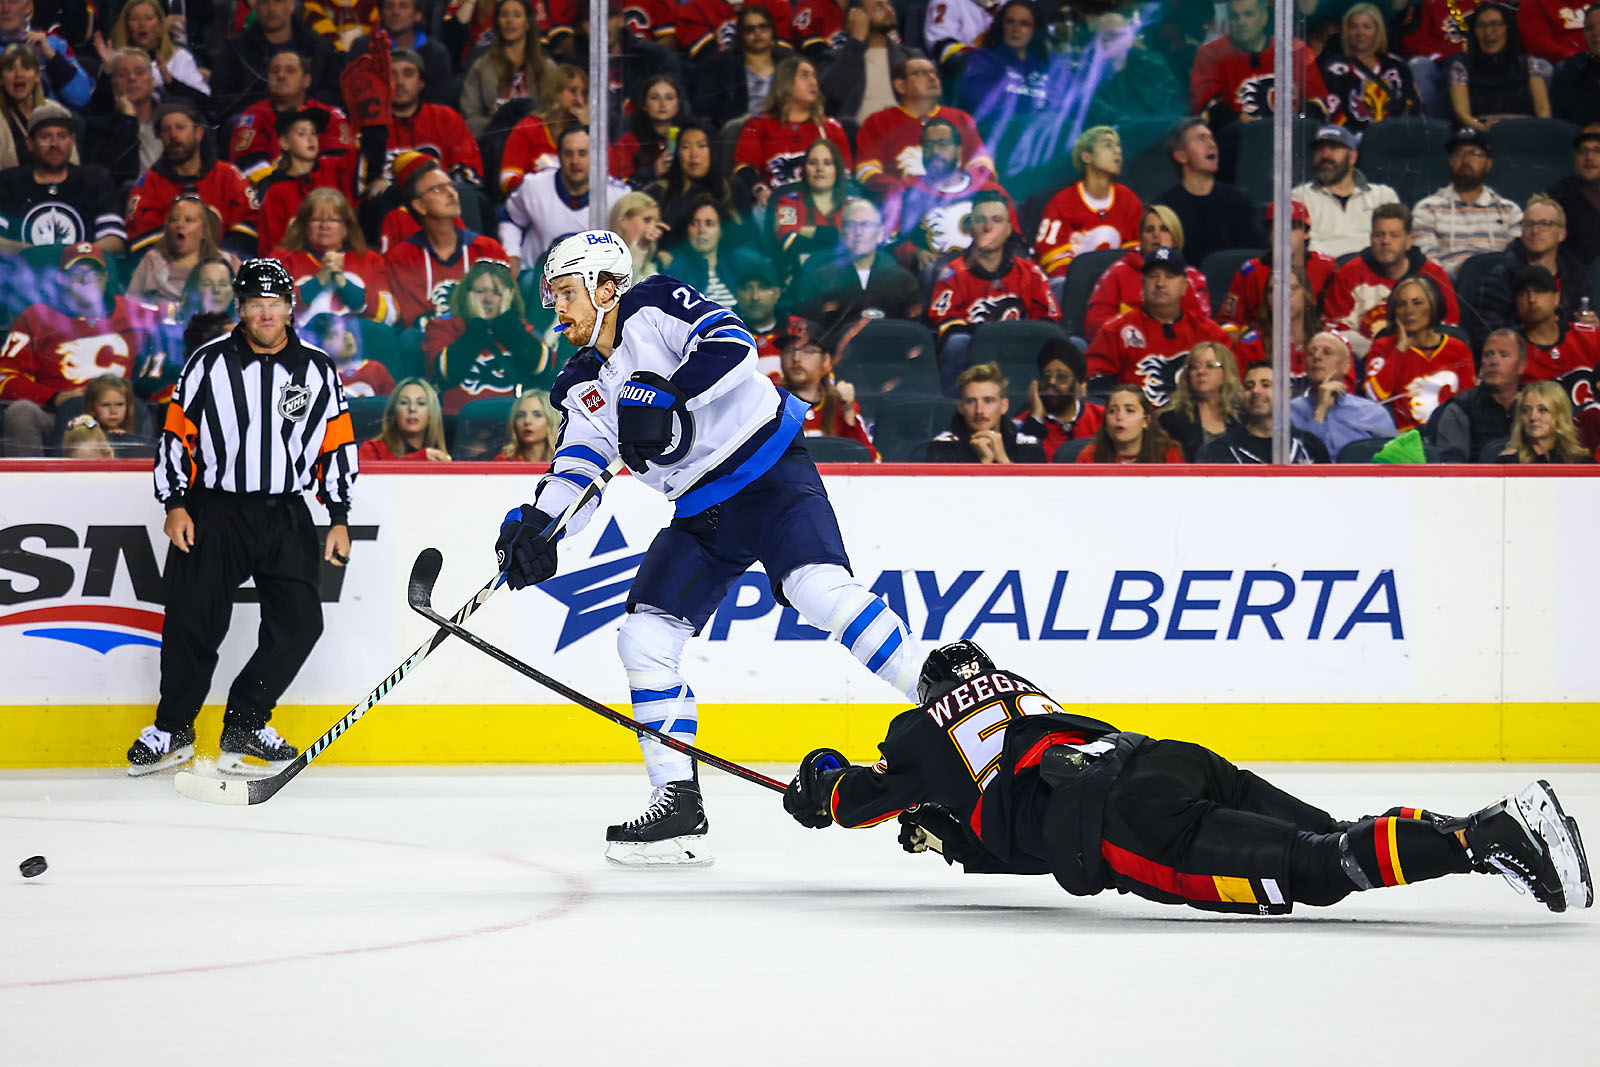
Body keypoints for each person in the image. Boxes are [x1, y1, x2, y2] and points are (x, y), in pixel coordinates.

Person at [495, 229, 923, 865]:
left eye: (564, 293)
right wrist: (539, 524)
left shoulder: (656, 304)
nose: (555, 310)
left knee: (820, 594)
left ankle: (947, 699)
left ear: (605, 288)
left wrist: (668, 393)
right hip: (703, 514)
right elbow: (581, 464)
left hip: (771, 476)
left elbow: (735, 345)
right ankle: (677, 803)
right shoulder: (581, 381)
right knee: (643, 636)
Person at [783, 641, 1594, 916]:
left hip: (1124, 819)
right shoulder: (1026, 694)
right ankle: (1486, 823)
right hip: (1167, 757)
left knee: (1314, 869)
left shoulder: (920, 727)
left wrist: (816, 781)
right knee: (1335, 832)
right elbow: (1016, 818)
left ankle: (1485, 840)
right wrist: (960, 837)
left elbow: (854, 801)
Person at [132, 259, 356, 777]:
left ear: (289, 307)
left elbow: (335, 442)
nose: (266, 313)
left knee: (299, 623)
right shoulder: (206, 364)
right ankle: (173, 729)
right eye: (256, 303)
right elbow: (175, 436)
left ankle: (246, 724)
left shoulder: (318, 368)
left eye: (275, 302)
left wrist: (339, 514)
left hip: (286, 513)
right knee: (191, 622)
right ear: (240, 307)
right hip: (214, 511)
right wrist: (175, 504)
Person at [0, 244, 157, 457]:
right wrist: (55, 398)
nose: (86, 280)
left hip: (118, 416)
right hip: (56, 417)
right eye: (77, 274)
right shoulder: (36, 318)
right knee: (21, 414)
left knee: (149, 407)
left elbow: (173, 327)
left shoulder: (132, 313)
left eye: (94, 273)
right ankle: (32, 487)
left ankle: (149, 481)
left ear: (105, 277)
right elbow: (5, 377)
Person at [927, 190, 1060, 393]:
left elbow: (1049, 321)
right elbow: (945, 327)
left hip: (1024, 358)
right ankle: (952, 409)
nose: (988, 227)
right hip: (974, 360)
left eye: (996, 220)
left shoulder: (1031, 272)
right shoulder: (951, 274)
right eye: (981, 220)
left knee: (1072, 344)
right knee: (957, 343)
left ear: (1008, 229)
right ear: (970, 228)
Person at [1086, 246, 1229, 408]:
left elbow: (1231, 388)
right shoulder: (1114, 331)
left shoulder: (1210, 334)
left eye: (1169, 276)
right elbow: (1097, 392)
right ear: (1142, 283)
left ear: (1184, 285)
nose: (1160, 283)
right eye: (1153, 276)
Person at [386, 157, 512, 326]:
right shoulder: (402, 257)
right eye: (438, 189)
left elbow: (508, 306)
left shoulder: (488, 249)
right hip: (433, 342)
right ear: (419, 205)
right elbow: (417, 321)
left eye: (451, 186)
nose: (451, 193)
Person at [1323, 202, 1460, 357]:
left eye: (1394, 235)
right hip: (1366, 359)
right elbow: (1335, 331)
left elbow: (1450, 327)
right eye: (1379, 235)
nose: (1385, 241)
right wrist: (1382, 351)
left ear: (1408, 241)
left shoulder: (1433, 275)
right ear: (1371, 239)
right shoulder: (1350, 272)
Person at [882, 115, 1017, 272]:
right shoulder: (904, 191)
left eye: (943, 144)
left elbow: (1016, 242)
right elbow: (889, 243)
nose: (935, 151)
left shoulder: (989, 190)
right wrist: (915, 254)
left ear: (959, 151)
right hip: (929, 281)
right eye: (928, 145)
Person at [126, 100, 258, 257]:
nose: (173, 135)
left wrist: (216, 258)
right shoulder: (148, 183)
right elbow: (142, 240)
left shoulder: (228, 174)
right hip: (170, 268)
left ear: (199, 133)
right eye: (166, 130)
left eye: (180, 128)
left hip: (225, 264)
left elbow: (249, 224)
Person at [422, 259, 555, 413]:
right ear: (466, 293)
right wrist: (478, 325)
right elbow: (447, 372)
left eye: (497, 293)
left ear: (508, 297)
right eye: (481, 291)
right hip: (459, 423)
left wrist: (506, 323)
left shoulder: (518, 328)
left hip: (514, 423)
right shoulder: (444, 326)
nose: (488, 299)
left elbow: (543, 366)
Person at [853, 50, 990, 198]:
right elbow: (866, 171)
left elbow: (981, 164)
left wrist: (963, 191)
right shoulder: (878, 122)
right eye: (920, 73)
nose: (932, 78)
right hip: (901, 208)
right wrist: (904, 191)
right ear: (900, 85)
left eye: (934, 73)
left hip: (957, 202)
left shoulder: (961, 118)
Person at [1191, 0, 1332, 135]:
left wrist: (1298, 120)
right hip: (1236, 142)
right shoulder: (1211, 55)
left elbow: (1317, 104)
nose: (1241, 22)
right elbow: (1204, 108)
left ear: (1264, 18)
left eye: (1248, 14)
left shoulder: (1295, 52)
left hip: (1291, 141)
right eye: (1235, 16)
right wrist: (1237, 119)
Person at [0, 104, 126, 253]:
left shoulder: (95, 179)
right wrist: (32, 254)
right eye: (45, 137)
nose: (55, 144)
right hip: (23, 274)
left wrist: (78, 256)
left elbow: (115, 238)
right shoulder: (9, 182)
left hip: (84, 272)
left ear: (72, 141)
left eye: (62, 136)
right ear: (30, 143)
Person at [1472, 194, 1592, 346]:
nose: (1535, 231)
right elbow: (1489, 336)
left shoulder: (1576, 275)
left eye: (1545, 224)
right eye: (1529, 224)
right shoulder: (1499, 279)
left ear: (1562, 234)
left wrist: (1591, 325)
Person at [500, 125, 625, 271]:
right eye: (568, 154)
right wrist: (512, 255)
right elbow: (510, 219)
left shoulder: (617, 195)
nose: (575, 161)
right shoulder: (533, 187)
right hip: (535, 279)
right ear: (558, 156)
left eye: (582, 153)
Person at [1364, 274, 1477, 431]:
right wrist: (1400, 350)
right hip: (1402, 437)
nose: (1409, 311)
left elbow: (1470, 402)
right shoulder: (1383, 347)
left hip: (1450, 434)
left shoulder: (1458, 348)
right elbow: (1374, 397)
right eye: (1401, 304)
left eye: (1417, 303)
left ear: (1433, 306)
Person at [733, 56, 852, 205]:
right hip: (775, 206)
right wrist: (759, 190)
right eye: (804, 75)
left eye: (814, 76)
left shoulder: (831, 128)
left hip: (823, 207)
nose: (813, 82)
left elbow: (845, 175)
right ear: (785, 83)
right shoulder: (758, 126)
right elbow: (745, 168)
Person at [228, 50, 355, 188]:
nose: (281, 76)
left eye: (290, 71)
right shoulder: (253, 116)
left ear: (307, 80)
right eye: (275, 71)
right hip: (273, 191)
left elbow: (341, 161)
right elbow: (248, 163)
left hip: (325, 192)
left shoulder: (330, 115)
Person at [1083, 204, 1212, 341]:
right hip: (1129, 347)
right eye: (1149, 230)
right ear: (1141, 239)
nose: (1156, 235)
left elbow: (1203, 327)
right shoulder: (1117, 273)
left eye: (1164, 229)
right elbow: (1093, 325)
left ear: (1175, 238)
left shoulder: (1191, 278)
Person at [272, 187, 398, 327]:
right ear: (304, 226)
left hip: (359, 345)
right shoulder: (282, 261)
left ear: (346, 228)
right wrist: (319, 281)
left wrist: (344, 285)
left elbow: (390, 316)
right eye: (316, 219)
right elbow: (268, 310)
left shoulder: (371, 260)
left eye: (333, 220)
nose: (324, 226)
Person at [791, 197, 921, 329]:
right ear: (841, 233)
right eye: (851, 225)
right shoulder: (820, 279)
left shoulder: (902, 280)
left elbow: (914, 330)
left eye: (866, 225)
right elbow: (807, 328)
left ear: (880, 234)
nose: (858, 232)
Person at [1153, 117, 1267, 267]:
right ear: (1181, 155)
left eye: (1212, 138)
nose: (1212, 144)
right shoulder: (1165, 209)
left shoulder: (1239, 203)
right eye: (1201, 139)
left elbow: (1256, 257)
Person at [1410, 126, 1524, 276]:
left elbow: (1516, 262)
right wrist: (1464, 273)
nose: (1466, 160)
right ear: (1451, 161)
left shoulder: (1509, 211)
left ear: (1489, 164)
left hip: (1497, 285)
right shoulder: (1427, 208)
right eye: (1459, 154)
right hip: (1448, 288)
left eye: (1475, 154)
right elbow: (1427, 264)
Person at [255, 109, 368, 254]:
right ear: (284, 143)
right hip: (297, 268)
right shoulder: (274, 191)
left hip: (343, 261)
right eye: (301, 134)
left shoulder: (335, 168)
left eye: (313, 133)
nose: (311, 139)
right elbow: (271, 248)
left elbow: (366, 154)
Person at [1033, 126, 1141, 278]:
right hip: (1073, 288)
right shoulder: (1061, 202)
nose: (1117, 151)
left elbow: (1136, 252)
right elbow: (1052, 258)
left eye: (1118, 145)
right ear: (1086, 156)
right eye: (1108, 145)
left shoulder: (1128, 199)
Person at [211, 0, 342, 124]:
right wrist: (273, 108)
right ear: (255, 7)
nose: (271, 9)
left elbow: (333, 93)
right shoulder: (236, 49)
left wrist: (296, 107)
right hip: (257, 123)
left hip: (311, 121)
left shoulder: (319, 47)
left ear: (292, 4)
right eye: (264, 2)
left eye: (278, 1)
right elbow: (223, 98)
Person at [1219, 200, 1337, 335]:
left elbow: (1337, 317)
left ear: (1306, 233)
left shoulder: (1327, 266)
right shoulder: (1250, 271)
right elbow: (1229, 322)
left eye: (1292, 228)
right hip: (1262, 343)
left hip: (1313, 342)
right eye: (1276, 228)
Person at [1509, 265, 1600, 432]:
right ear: (1516, 303)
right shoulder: (1509, 348)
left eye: (1539, 291)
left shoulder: (1589, 337)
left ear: (1556, 298)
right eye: (1523, 293)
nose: (1531, 299)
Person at [1291, 124, 1401, 259]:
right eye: (1320, 149)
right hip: (1324, 271)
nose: (1325, 155)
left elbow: (1395, 243)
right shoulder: (1300, 196)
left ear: (1353, 157)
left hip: (1372, 268)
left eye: (1334, 148)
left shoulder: (1383, 196)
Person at [385, 48, 484, 190]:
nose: (399, 82)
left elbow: (469, 167)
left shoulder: (445, 117)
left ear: (421, 83)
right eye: (392, 75)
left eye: (408, 74)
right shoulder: (371, 124)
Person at [459, 0, 560, 139]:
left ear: (528, 23)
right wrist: (496, 124)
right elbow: (469, 118)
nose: (509, 21)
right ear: (497, 22)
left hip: (536, 142)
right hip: (494, 143)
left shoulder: (547, 67)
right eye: (504, 15)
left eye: (517, 15)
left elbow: (556, 113)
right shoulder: (481, 66)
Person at [1291, 330, 1397, 458]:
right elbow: (1299, 461)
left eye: (1327, 352)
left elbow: (1393, 463)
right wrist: (1320, 411)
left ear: (1346, 366)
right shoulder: (1290, 412)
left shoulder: (1373, 412)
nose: (1317, 356)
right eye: (1311, 353)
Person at [779, 318, 876, 457]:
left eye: (808, 351)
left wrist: (848, 412)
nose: (796, 358)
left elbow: (869, 460)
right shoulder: (770, 402)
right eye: (790, 351)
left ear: (826, 360)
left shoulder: (840, 403)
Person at [1448, 3, 1553, 131]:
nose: (1488, 32)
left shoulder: (1527, 63)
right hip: (1481, 134)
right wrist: (1486, 130)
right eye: (1481, 26)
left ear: (1507, 28)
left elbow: (1543, 109)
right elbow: (1462, 113)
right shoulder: (1462, 66)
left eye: (1495, 25)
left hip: (1524, 133)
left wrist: (1536, 131)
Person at [1200, 361, 1330, 463]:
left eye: (1266, 385)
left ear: (1286, 392)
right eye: (1249, 386)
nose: (1256, 391)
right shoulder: (1220, 450)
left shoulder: (1310, 446)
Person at [1319, 2, 1422, 131]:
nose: (1360, 32)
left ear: (1378, 31)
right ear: (1346, 32)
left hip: (1395, 141)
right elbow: (1330, 116)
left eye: (1367, 27)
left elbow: (1413, 110)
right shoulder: (1333, 69)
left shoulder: (1397, 66)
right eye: (1353, 27)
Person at [692, 3, 796, 130]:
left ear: (772, 30)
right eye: (750, 29)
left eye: (762, 27)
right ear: (741, 35)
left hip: (784, 128)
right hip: (740, 132)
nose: (757, 33)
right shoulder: (720, 67)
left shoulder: (790, 64)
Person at [920, 361, 1045, 463]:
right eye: (970, 401)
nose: (979, 410)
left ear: (1004, 406)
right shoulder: (942, 447)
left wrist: (1003, 460)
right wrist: (985, 463)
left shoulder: (1028, 446)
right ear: (961, 407)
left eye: (988, 400)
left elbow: (1035, 493)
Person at [1432, 328, 1527, 461]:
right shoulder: (1460, 408)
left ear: (1521, 365)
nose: (1493, 361)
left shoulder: (1534, 405)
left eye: (1503, 355)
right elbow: (1452, 470)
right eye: (1488, 355)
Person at [125, 193, 231, 308]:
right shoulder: (152, 260)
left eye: (189, 220)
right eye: (174, 220)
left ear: (204, 230)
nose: (179, 224)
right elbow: (130, 306)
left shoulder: (226, 261)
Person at [496, 61, 587, 195]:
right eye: (573, 91)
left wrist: (588, 128)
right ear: (555, 92)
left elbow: (609, 176)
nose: (580, 100)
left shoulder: (588, 132)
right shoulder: (528, 128)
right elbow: (507, 179)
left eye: (584, 93)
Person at [772, 137, 855, 279]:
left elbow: (860, 244)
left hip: (847, 279)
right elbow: (789, 243)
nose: (819, 169)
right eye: (812, 163)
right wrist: (836, 236)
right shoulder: (788, 202)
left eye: (827, 163)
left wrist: (811, 231)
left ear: (837, 169)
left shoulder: (854, 206)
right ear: (804, 169)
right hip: (802, 278)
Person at [96, 0, 211, 99]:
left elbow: (204, 99)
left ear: (161, 26)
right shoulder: (115, 59)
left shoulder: (180, 57)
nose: (142, 24)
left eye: (149, 18)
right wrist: (108, 71)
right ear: (127, 27)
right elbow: (98, 107)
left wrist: (170, 81)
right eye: (134, 19)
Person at [347, 0, 455, 105]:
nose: (395, 12)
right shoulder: (363, 47)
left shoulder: (436, 53)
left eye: (403, 6)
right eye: (389, 6)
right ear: (382, 14)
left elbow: (440, 100)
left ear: (418, 14)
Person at [662, 198, 763, 308]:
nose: (701, 230)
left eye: (709, 224)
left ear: (721, 231)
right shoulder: (676, 270)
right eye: (694, 224)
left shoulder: (740, 262)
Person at [1015, 336, 1102, 458]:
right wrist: (1036, 421)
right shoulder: (1022, 423)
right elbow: (1021, 468)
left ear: (1077, 386)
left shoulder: (1102, 416)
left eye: (1061, 377)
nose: (1051, 382)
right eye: (1046, 376)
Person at [818, 0, 906, 121]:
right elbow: (830, 95)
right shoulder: (834, 58)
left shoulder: (910, 56)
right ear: (857, 15)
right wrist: (856, 43)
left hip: (906, 134)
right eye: (879, 6)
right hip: (856, 135)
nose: (889, 10)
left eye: (889, 4)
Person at [1157, 340, 1244, 460]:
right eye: (1194, 367)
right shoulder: (1170, 418)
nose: (1201, 372)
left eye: (1210, 366)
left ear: (1226, 371)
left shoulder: (1243, 415)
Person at [0, 0, 92, 109]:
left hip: (50, 120)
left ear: (28, 7)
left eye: (13, 2)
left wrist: (52, 57)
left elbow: (82, 96)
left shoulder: (53, 42)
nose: (6, 9)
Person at [1077, 384, 1184, 463]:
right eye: (1112, 411)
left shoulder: (1168, 453)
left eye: (1129, 410)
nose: (1119, 417)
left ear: (1146, 420)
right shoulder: (1090, 456)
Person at [609, 74, 684, 187]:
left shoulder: (688, 137)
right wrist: (653, 171)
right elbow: (617, 184)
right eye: (654, 98)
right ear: (644, 105)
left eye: (669, 98)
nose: (662, 104)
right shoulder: (628, 142)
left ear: (678, 105)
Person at [358, 376, 452, 461]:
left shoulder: (442, 456)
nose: (412, 409)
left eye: (421, 403)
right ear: (394, 413)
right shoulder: (372, 450)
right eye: (404, 402)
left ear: (431, 415)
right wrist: (420, 459)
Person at [1499, 379, 1593, 461]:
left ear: (1559, 415)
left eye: (1542, 410)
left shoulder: (1581, 463)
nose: (1532, 417)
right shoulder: (1509, 463)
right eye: (1525, 410)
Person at [1548, 125, 1600, 269]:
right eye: (1583, 151)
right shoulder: (1558, 194)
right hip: (1575, 279)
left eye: (1597, 151)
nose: (1589, 157)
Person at [0, 43, 50, 170]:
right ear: (1, 78)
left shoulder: (53, 111)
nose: (19, 74)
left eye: (26, 68)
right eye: (10, 69)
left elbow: (72, 166)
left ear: (38, 76)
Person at [608, 190, 667, 285]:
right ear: (624, 221)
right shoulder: (605, 261)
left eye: (656, 222)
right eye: (647, 220)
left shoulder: (656, 265)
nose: (653, 227)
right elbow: (626, 286)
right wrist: (641, 245)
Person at [496, 388, 560, 462]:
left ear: (552, 420)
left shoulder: (567, 461)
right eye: (521, 415)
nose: (527, 421)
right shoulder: (503, 461)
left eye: (537, 415)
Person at [1517, 0, 1586, 66]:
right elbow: (1537, 43)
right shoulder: (1533, 3)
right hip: (1563, 62)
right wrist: (1571, 55)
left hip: (1591, 57)